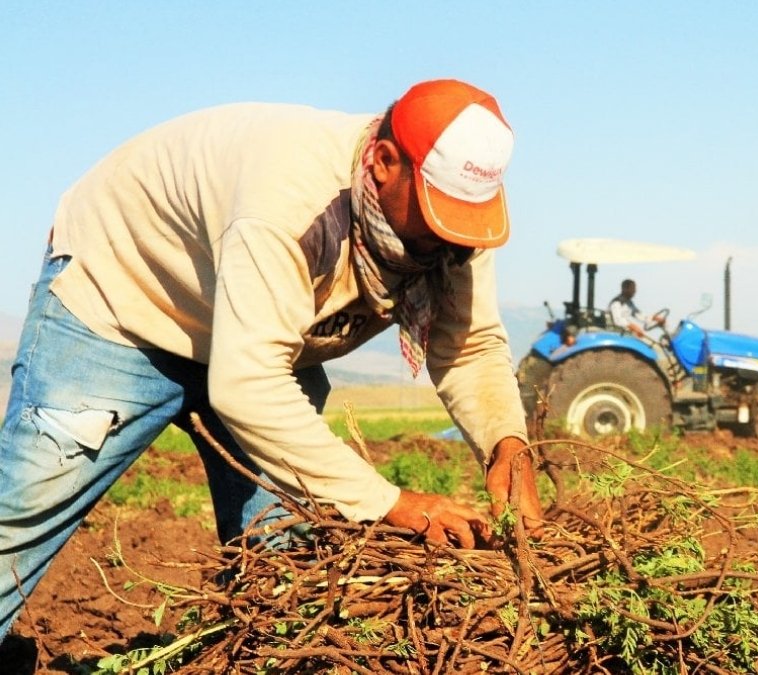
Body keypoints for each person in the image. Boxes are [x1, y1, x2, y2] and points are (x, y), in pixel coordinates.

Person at [0, 79, 544, 642]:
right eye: (435, 213)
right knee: (20, 515)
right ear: (384, 162)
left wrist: (508, 444)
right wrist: (392, 502)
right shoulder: (289, 201)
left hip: (260, 336)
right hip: (124, 298)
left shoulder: (453, 228)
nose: (445, 235)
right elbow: (250, 385)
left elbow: (469, 345)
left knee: (284, 560)